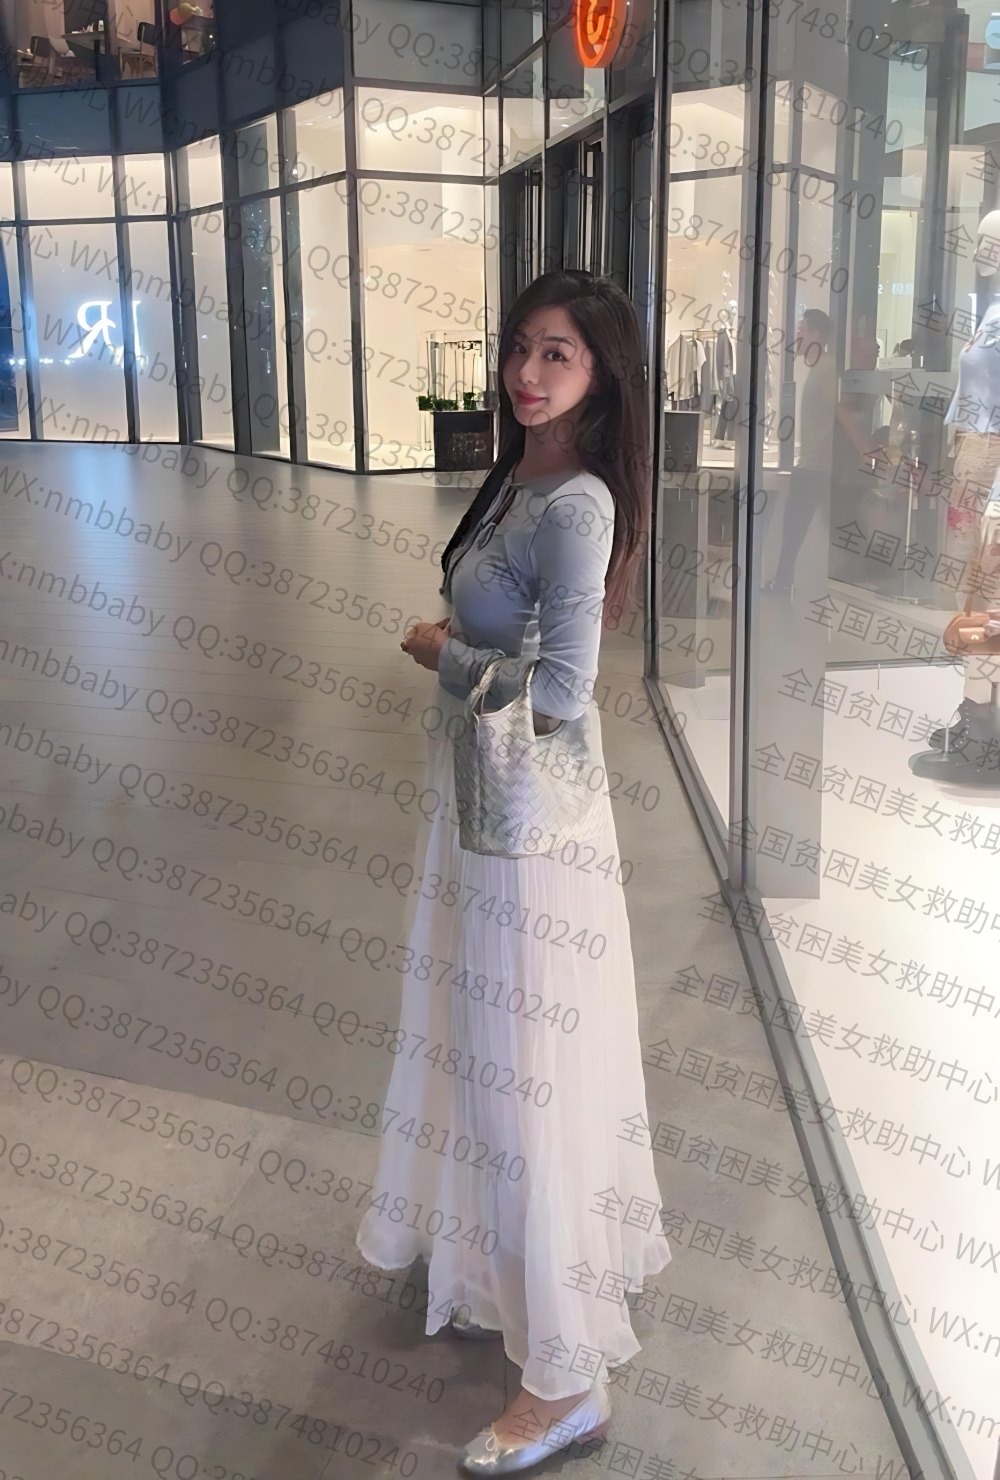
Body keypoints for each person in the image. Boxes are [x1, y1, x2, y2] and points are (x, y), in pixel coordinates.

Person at [355, 270, 671, 1473]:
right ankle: (512, 1276)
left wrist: (438, 651)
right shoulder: (519, 477)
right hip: (484, 813)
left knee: (523, 1083)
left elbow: (561, 694)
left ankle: (566, 1383)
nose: (528, 375)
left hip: (530, 838)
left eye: (558, 356)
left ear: (601, 376)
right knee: (491, 1066)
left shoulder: (576, 504)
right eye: (521, 349)